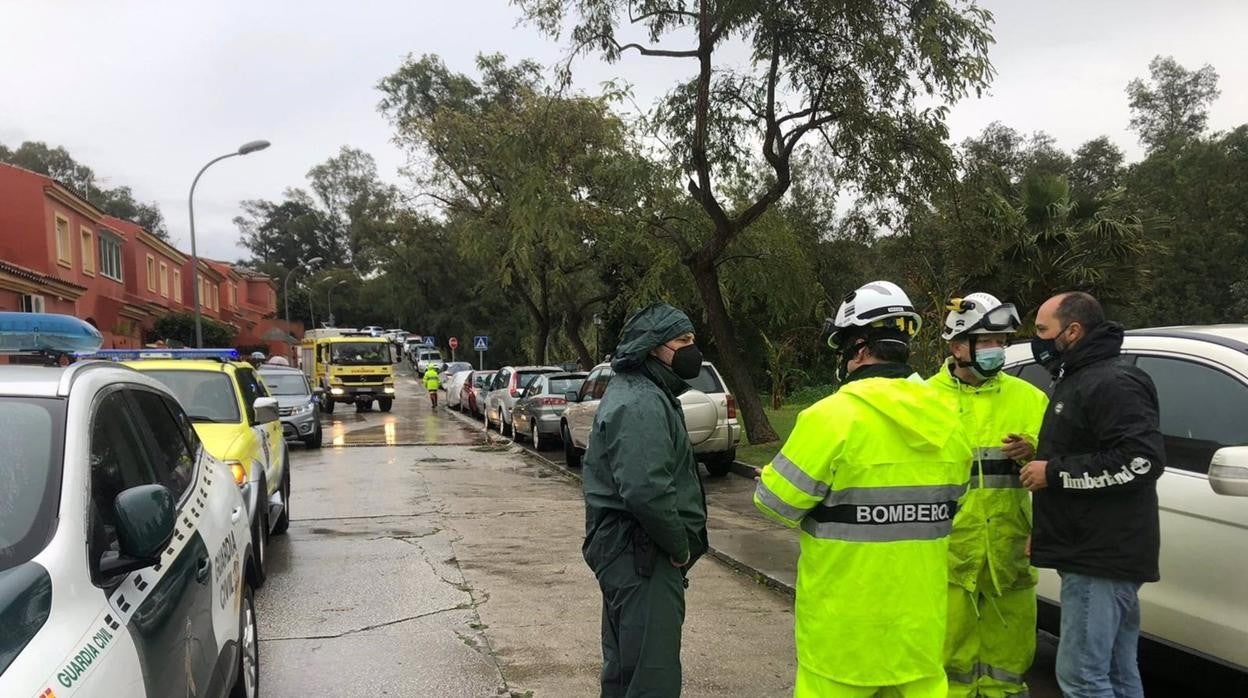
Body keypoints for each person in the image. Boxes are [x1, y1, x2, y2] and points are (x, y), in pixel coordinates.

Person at [754, 280, 972, 698]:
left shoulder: (829, 418)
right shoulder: (949, 418)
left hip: (842, 641)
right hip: (918, 638)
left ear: (857, 350)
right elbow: (953, 505)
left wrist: (770, 479)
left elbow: (776, 504)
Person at [1019, 292, 1164, 698]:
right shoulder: (1079, 378)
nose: (1039, 341)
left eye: (1044, 331)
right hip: (1093, 548)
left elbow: (1140, 461)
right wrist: (1038, 457)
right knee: (1117, 672)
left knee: (1083, 677)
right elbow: (1092, 452)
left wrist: (1053, 472)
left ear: (1074, 330)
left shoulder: (1110, 381)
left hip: (1100, 557)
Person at [581, 303, 709, 698]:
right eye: (682, 341)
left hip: (630, 552)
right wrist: (678, 545)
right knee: (652, 677)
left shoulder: (645, 392)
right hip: (643, 556)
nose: (693, 349)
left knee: (626, 671)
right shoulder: (641, 402)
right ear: (655, 347)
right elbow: (646, 488)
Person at [928, 293, 1049, 697]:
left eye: (1002, 342)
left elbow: (1058, 468)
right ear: (958, 345)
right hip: (948, 554)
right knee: (947, 658)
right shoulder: (924, 401)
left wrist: (1035, 452)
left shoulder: (1030, 398)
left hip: (1009, 551)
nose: (998, 350)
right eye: (988, 341)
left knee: (1010, 663)